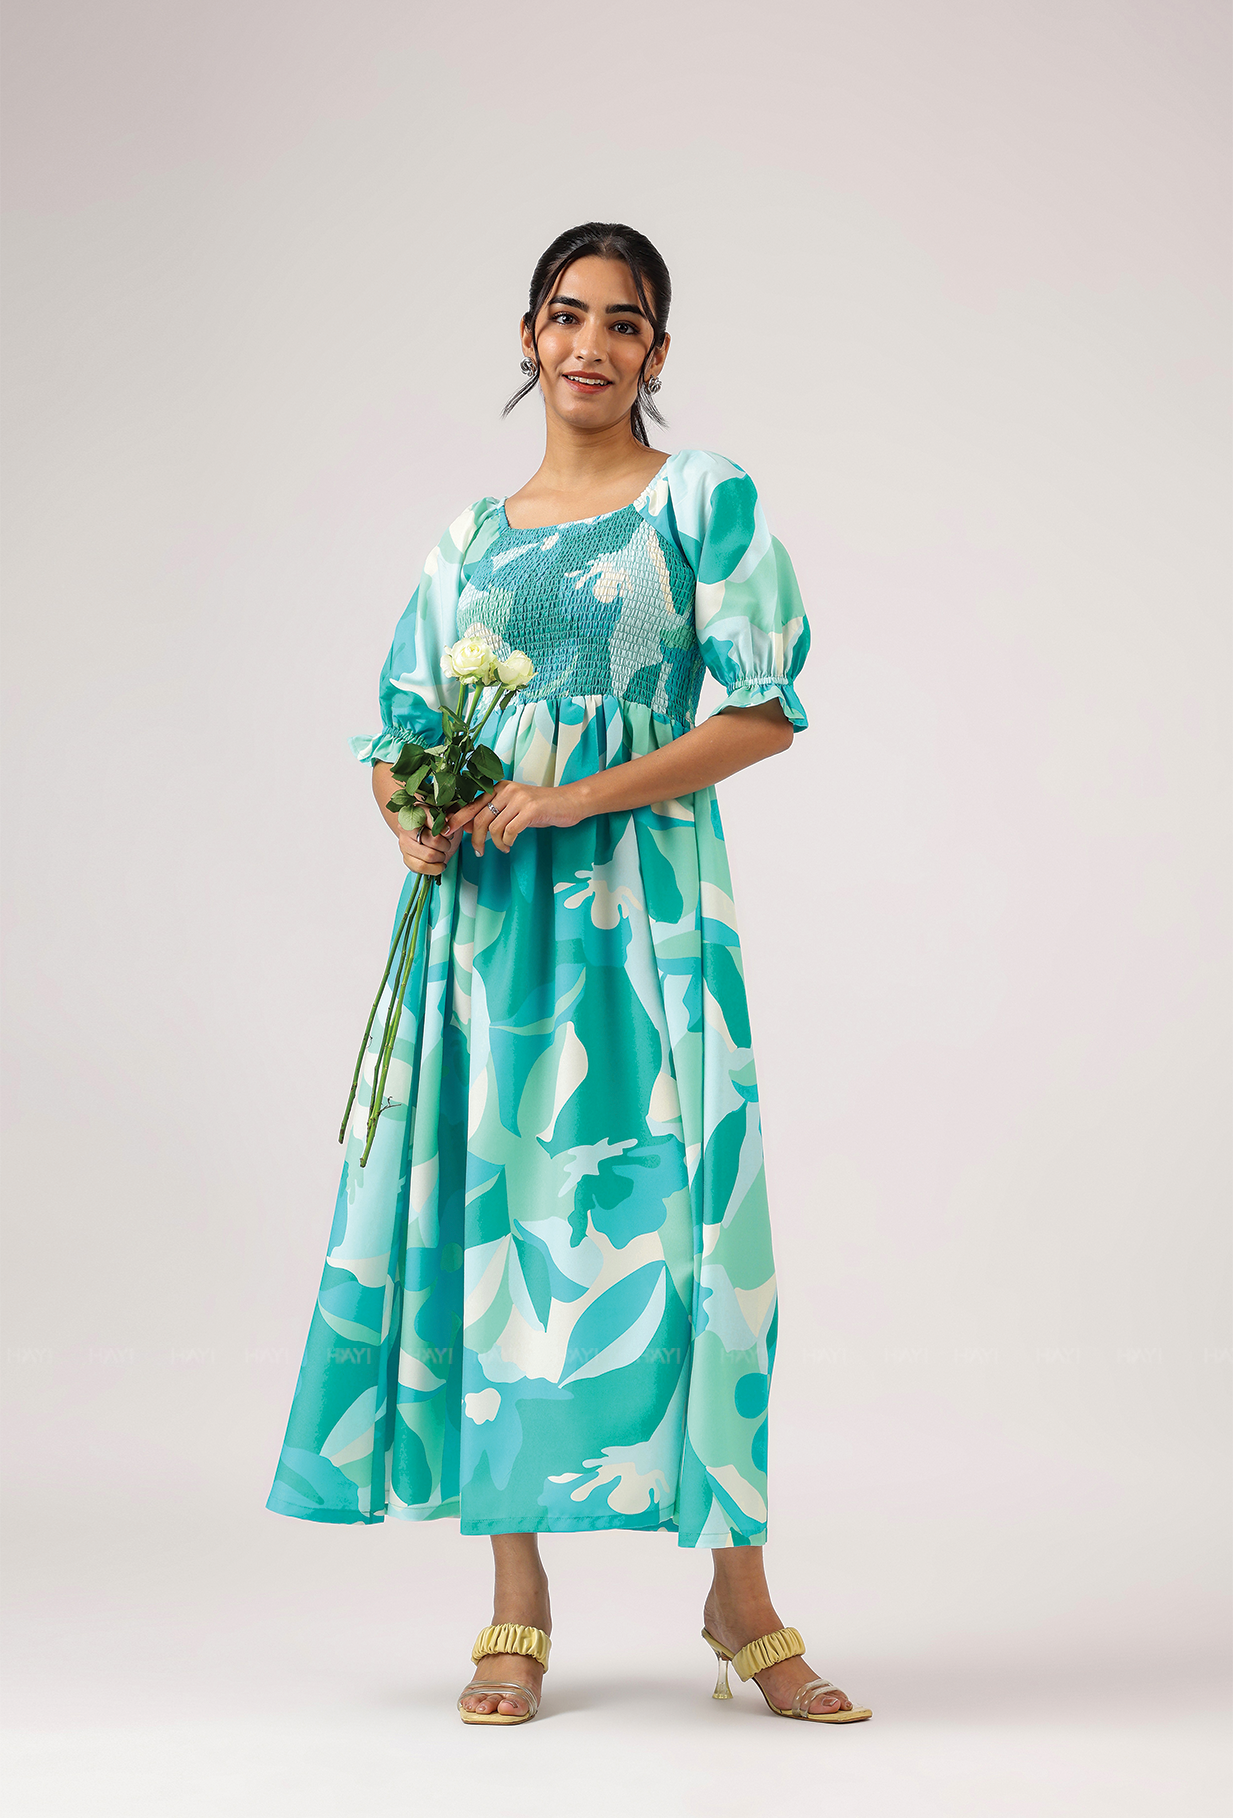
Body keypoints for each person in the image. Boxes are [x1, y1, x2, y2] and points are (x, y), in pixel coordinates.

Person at [267, 221, 871, 1729]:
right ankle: (515, 1601)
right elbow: (401, 727)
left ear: (656, 351)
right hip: (488, 937)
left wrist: (577, 797)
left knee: (701, 1238)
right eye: (565, 314)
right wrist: (411, 817)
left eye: (623, 321)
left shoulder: (702, 499)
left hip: (646, 919)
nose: (589, 344)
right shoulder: (470, 537)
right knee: (503, 1234)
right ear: (529, 336)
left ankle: (741, 1598)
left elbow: (766, 711)